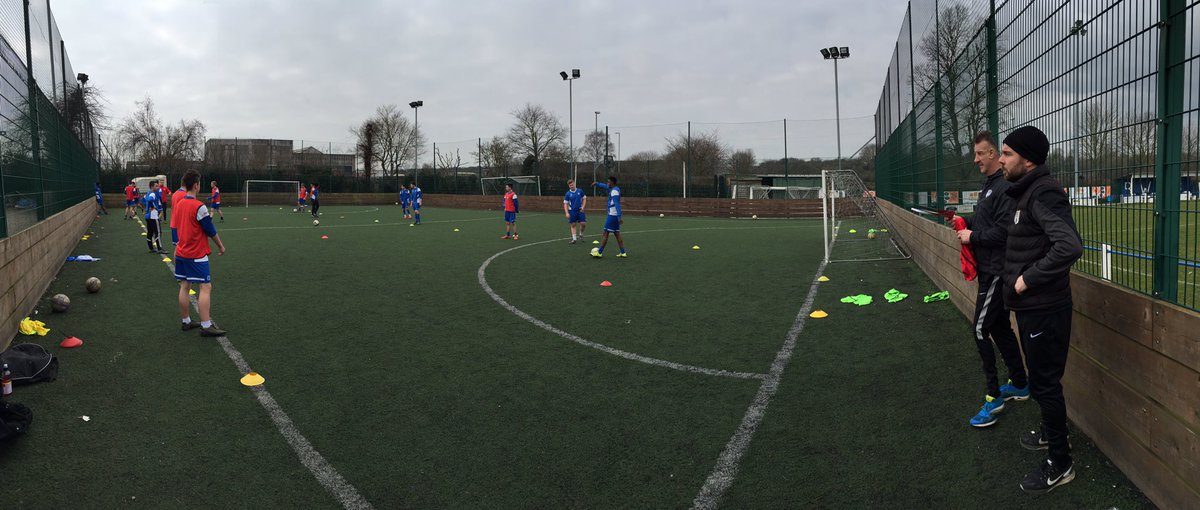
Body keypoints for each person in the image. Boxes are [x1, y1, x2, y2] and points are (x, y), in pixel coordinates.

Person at [998, 126, 1083, 494]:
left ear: (1028, 159)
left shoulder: (1043, 192)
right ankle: (1052, 436)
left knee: (1045, 385)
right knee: (1043, 382)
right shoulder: (1025, 192)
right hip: (1034, 308)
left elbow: (1069, 246)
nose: (1000, 160)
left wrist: (1026, 279)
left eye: (1007, 154)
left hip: (1044, 308)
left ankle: (1061, 464)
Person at [955, 131, 1030, 428]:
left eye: (979, 154)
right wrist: (967, 222)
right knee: (999, 328)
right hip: (988, 270)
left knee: (979, 330)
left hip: (998, 273)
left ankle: (993, 397)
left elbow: (1003, 233)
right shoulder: (988, 187)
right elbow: (987, 223)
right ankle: (1021, 383)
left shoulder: (1003, 188)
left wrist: (972, 235)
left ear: (991, 154)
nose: (976, 160)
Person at [174, 170, 227, 337]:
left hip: (181, 252)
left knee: (184, 285)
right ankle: (206, 325)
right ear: (196, 185)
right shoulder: (199, 206)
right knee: (205, 287)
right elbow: (210, 229)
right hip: (195, 254)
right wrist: (220, 246)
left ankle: (186, 321)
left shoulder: (180, 203)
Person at [591, 176, 626, 258]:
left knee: (605, 233)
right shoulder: (614, 189)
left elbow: (617, 204)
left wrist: (619, 217)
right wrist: (597, 183)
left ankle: (599, 252)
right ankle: (623, 252)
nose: (607, 183)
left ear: (613, 183)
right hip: (614, 215)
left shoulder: (614, 192)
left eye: (609, 182)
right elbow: (606, 186)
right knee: (617, 234)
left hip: (612, 215)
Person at [143, 180, 166, 254]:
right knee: (158, 232)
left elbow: (143, 200)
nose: (158, 187)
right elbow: (150, 200)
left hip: (148, 216)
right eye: (156, 186)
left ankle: (151, 248)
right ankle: (159, 248)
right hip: (153, 216)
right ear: (152, 187)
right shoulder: (152, 194)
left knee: (150, 232)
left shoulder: (148, 193)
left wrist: (147, 207)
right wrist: (152, 206)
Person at [563, 179, 587, 243]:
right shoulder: (568, 194)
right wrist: (566, 213)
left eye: (572, 184)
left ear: (574, 183)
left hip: (580, 210)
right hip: (572, 211)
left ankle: (581, 233)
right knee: (573, 224)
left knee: (583, 223)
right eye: (570, 185)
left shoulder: (580, 191)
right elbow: (565, 204)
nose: (572, 186)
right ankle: (574, 239)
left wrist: (583, 207)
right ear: (569, 186)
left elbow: (584, 199)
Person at [170, 183, 189, 247]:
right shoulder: (185, 195)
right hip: (181, 226)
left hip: (174, 224)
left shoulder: (175, 193)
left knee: (178, 248)